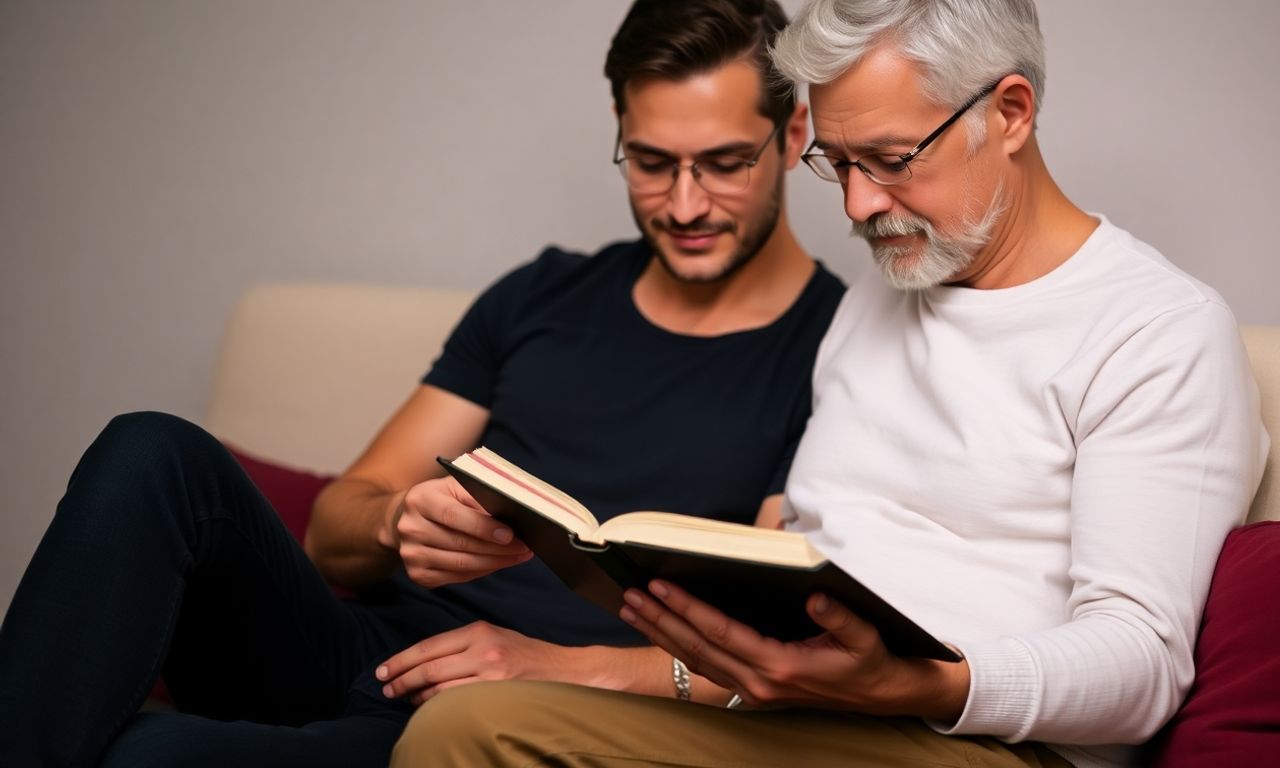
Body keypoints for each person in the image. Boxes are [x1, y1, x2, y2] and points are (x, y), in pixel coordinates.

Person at [389, 1, 1270, 767]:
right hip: (803, 717)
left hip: (989, 745)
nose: (855, 206)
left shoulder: (1157, 331)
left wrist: (918, 685)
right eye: (839, 164)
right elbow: (799, 559)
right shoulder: (876, 303)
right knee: (461, 725)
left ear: (1009, 112)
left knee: (468, 736)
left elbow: (1142, 664)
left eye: (889, 158)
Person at [0, 1, 844, 765]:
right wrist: (399, 522)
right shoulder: (541, 296)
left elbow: (768, 651)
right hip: (358, 647)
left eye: (725, 163)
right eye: (651, 163)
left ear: (794, 129)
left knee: (137, 754)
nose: (686, 204)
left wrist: (550, 668)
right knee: (152, 448)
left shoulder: (838, 353)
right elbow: (334, 528)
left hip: (500, 724)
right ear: (621, 131)